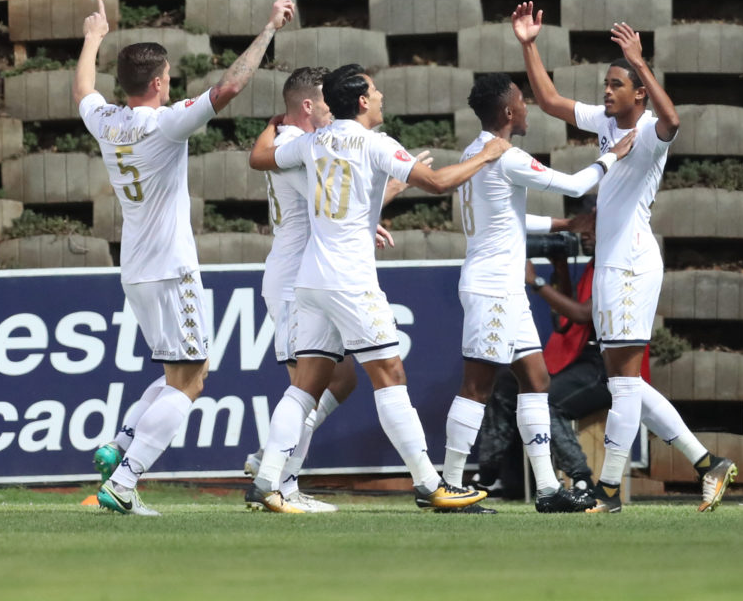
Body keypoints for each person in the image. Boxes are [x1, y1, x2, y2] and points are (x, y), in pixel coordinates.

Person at [246, 63, 510, 512]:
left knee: (305, 386)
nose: (382, 94)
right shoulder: (376, 144)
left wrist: (273, 125)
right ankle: (430, 484)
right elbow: (439, 182)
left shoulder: (310, 142)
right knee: (390, 375)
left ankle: (267, 480)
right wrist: (487, 155)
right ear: (362, 101)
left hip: (309, 280)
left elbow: (259, 159)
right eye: (375, 89)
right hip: (351, 280)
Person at [74, 0, 296, 515]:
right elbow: (229, 88)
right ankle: (124, 482)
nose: (171, 82)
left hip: (136, 270)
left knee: (179, 373)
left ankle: (120, 447)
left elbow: (83, 87)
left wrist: (93, 38)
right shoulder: (166, 123)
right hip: (172, 269)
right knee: (193, 380)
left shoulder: (104, 120)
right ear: (157, 82)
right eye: (168, 76)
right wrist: (269, 29)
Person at [513, 1, 737, 513]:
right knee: (624, 381)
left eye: (616, 85)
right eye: (606, 85)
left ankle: (609, 492)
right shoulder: (606, 121)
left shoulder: (653, 132)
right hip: (613, 264)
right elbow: (548, 100)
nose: (606, 93)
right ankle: (709, 465)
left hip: (632, 264)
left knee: (624, 381)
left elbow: (675, 118)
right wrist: (529, 44)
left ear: (638, 91)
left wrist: (638, 62)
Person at [439, 74, 635, 514]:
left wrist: (562, 226)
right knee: (477, 387)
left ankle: (546, 489)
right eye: (522, 101)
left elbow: (507, 219)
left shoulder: (476, 152)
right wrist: (610, 158)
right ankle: (450, 486)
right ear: (509, 112)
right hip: (492, 289)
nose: (528, 107)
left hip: (504, 288)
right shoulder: (506, 156)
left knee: (536, 379)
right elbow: (572, 186)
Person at [243, 67, 427, 511]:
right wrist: (392, 191)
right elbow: (336, 197)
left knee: (336, 380)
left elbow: (335, 199)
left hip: (308, 271)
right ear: (308, 106)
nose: (332, 113)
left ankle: (272, 465)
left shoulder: (290, 141)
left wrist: (369, 221)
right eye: (325, 104)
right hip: (294, 279)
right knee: (305, 385)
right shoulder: (293, 144)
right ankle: (278, 481)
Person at [476, 212, 611, 498]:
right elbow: (569, 317)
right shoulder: (593, 265)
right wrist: (560, 268)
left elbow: (582, 313)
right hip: (579, 360)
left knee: (547, 401)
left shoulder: (613, 266)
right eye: (585, 229)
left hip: (603, 368)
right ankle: (489, 474)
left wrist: (536, 281)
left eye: (593, 230)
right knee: (507, 383)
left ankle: (581, 478)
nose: (584, 235)